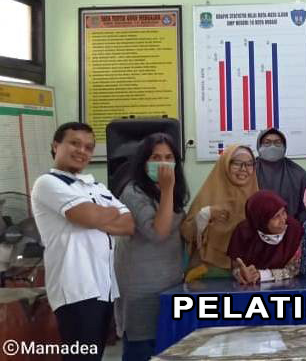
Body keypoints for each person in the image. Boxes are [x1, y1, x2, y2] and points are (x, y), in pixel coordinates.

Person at [31, 122, 135, 361]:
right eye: (74, 143)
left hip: (104, 288)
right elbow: (88, 216)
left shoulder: (96, 186)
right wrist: (106, 214)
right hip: (76, 288)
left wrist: (96, 217)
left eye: (88, 147)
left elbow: (129, 225)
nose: (82, 151)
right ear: (55, 146)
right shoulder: (48, 183)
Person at [114, 133, 188, 361]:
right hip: (141, 290)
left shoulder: (173, 191)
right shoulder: (133, 192)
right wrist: (167, 190)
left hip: (170, 284)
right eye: (156, 157)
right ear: (143, 161)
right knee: (141, 348)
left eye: (168, 157)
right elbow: (159, 232)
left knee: (168, 348)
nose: (163, 163)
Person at [180, 145, 259, 281]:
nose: (244, 169)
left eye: (249, 164)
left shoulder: (257, 199)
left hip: (244, 275)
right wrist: (204, 216)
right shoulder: (208, 194)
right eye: (237, 163)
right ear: (225, 165)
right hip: (205, 274)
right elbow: (187, 234)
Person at [226, 190, 304, 283]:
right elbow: (236, 266)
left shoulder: (294, 229)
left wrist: (262, 275)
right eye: (276, 217)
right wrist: (241, 273)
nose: (283, 220)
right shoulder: (243, 232)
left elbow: (293, 269)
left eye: (283, 212)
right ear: (261, 220)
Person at [255, 128, 306, 222]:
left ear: (284, 147)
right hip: (256, 225)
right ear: (259, 146)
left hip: (289, 226)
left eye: (277, 143)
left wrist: (294, 226)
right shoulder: (250, 170)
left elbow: (305, 208)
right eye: (267, 143)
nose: (272, 146)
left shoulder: (298, 173)